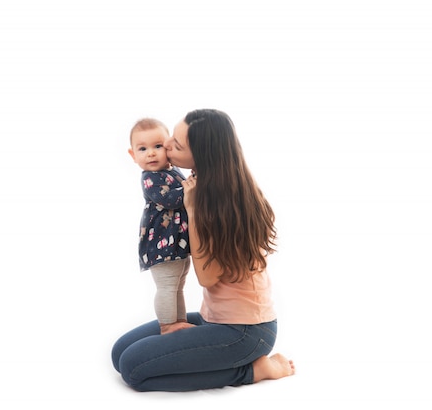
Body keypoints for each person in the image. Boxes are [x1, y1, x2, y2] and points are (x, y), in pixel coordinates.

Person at [112, 109, 295, 392]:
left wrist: (193, 210)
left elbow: (207, 278)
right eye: (171, 137)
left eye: (177, 144)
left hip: (245, 330)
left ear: (201, 155)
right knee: (119, 353)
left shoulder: (223, 203)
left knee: (133, 370)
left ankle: (252, 370)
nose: (167, 145)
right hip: (215, 317)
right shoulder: (197, 183)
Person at [127, 118, 191, 335]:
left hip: (177, 245)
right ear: (133, 155)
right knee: (166, 286)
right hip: (161, 246)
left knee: (178, 287)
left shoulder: (172, 171)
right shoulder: (150, 178)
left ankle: (179, 320)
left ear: (169, 148)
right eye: (142, 149)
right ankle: (167, 325)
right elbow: (171, 199)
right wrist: (192, 187)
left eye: (157, 146)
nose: (151, 153)